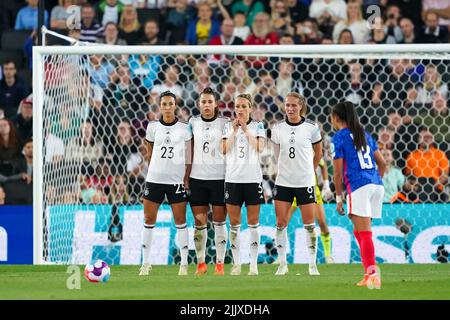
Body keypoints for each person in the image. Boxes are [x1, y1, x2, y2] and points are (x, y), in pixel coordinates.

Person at [331, 101, 385, 289]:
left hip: (358, 185)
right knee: (360, 230)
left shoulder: (339, 137)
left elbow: (337, 174)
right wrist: (374, 180)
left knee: (364, 232)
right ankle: (368, 274)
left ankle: (372, 276)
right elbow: (383, 163)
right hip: (376, 185)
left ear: (335, 118)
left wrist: (338, 198)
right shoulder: (366, 135)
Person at [140, 91, 193, 277]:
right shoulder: (153, 127)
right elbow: (149, 151)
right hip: (154, 179)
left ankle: (184, 263)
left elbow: (189, 156)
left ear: (175, 105)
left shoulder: (185, 128)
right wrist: (155, 168)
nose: (168, 107)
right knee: (148, 220)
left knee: (180, 221)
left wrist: (186, 179)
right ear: (160, 106)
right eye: (164, 104)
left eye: (171, 104)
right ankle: (146, 263)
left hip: (175, 181)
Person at [271, 92, 323, 276]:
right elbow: (276, 154)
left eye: (294, 105)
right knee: (280, 223)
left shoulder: (311, 127)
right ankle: (283, 263)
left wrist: (311, 170)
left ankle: (312, 264)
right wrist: (283, 168)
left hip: (305, 182)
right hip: (284, 181)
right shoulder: (277, 128)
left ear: (301, 106)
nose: (290, 108)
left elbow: (319, 151)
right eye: (287, 105)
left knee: (309, 224)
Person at [221, 93, 265, 276]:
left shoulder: (258, 126)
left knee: (253, 223)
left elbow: (260, 148)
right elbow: (223, 150)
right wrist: (233, 130)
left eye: (243, 106)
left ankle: (253, 264)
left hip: (253, 180)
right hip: (233, 180)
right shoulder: (227, 127)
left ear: (250, 108)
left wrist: (245, 129)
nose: (240, 109)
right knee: (235, 224)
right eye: (237, 106)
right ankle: (237, 263)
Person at [188, 87, 229, 276]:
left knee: (220, 222)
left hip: (219, 179)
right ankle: (201, 263)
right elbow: (189, 150)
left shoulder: (224, 123)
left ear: (216, 104)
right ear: (199, 104)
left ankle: (220, 264)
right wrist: (185, 177)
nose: (206, 105)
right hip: (197, 179)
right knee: (199, 223)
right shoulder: (192, 122)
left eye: (209, 102)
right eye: (203, 102)